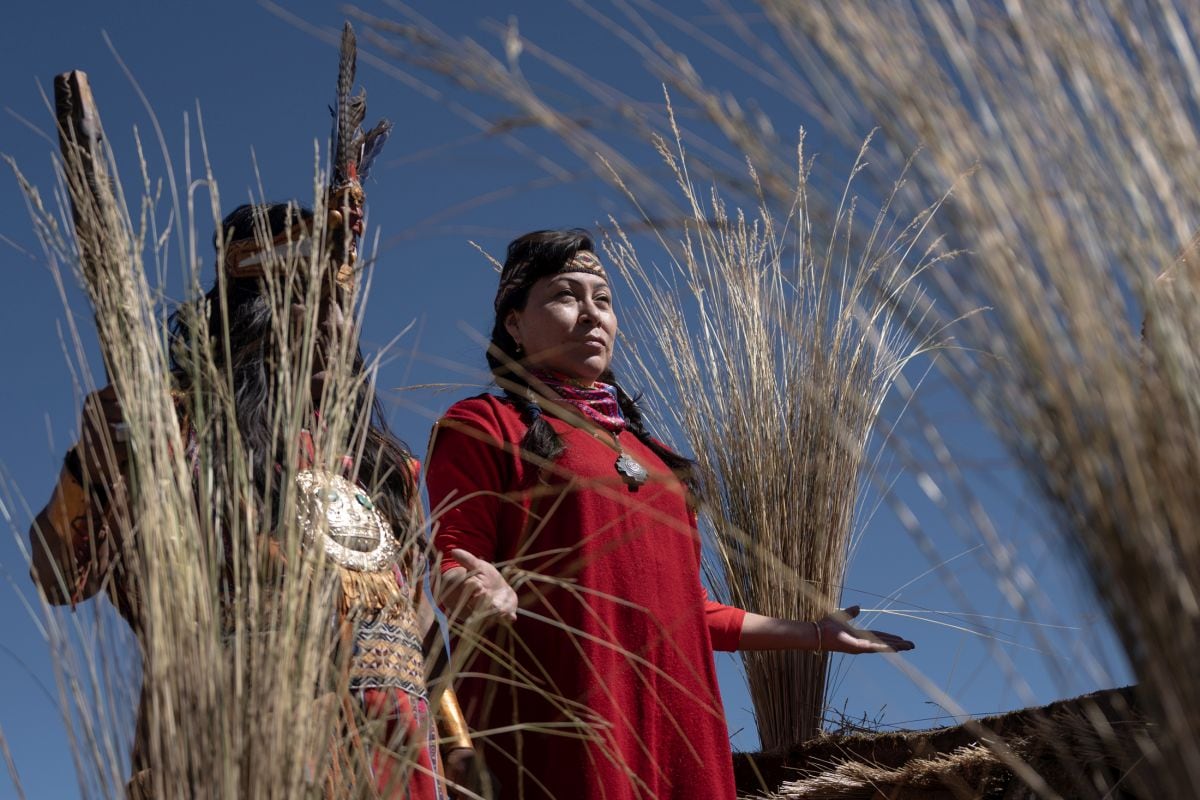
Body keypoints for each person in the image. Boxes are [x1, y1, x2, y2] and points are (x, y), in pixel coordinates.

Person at [424, 229, 915, 800]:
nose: (591, 315)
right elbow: (454, 560)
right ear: (514, 322)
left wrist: (815, 635)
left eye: (602, 300)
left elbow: (690, 612)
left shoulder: (657, 460)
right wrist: (473, 588)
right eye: (565, 296)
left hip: (679, 734)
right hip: (560, 733)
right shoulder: (484, 425)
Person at [28, 202, 475, 799]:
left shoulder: (385, 467)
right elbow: (60, 577)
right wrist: (94, 463)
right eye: (303, 304)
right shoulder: (178, 427)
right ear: (250, 319)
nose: (331, 327)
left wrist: (459, 747)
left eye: (338, 308)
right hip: (242, 752)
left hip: (400, 758)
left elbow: (414, 625)